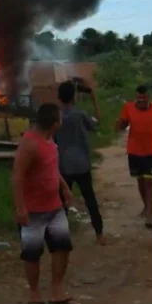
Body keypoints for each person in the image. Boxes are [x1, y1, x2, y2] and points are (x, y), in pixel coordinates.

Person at [12, 103, 78, 304]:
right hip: (33, 211)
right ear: (55, 122)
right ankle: (34, 294)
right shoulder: (29, 143)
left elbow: (51, 167)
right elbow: (17, 177)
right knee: (32, 254)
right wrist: (21, 208)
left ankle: (56, 291)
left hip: (55, 207)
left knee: (62, 248)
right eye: (60, 117)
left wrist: (65, 188)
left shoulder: (49, 139)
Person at [53, 81, 105, 245]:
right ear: (74, 96)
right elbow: (97, 120)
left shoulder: (56, 117)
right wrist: (94, 98)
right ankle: (99, 234)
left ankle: (60, 237)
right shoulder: (80, 115)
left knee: (62, 203)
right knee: (90, 199)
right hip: (81, 164)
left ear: (59, 97)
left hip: (63, 166)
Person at [116, 85, 152, 229]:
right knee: (140, 182)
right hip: (134, 151)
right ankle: (146, 207)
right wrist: (120, 123)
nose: (141, 102)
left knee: (149, 182)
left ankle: (150, 216)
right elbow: (121, 127)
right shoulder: (128, 107)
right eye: (139, 99)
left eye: (144, 99)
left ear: (149, 97)